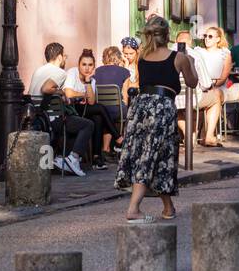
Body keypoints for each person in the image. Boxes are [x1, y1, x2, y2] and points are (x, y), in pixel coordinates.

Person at [119, 15, 198, 220]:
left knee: (156, 154)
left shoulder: (143, 57)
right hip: (161, 108)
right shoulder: (178, 58)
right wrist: (192, 62)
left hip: (141, 106)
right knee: (151, 154)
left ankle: (168, 207)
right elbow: (192, 82)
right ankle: (133, 208)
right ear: (167, 35)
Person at [26, 42, 94, 177]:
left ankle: (62, 159)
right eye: (64, 57)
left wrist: (58, 94)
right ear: (59, 57)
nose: (64, 60)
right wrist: (62, 93)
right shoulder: (60, 73)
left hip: (37, 117)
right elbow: (45, 89)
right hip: (51, 119)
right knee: (88, 124)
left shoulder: (38, 70)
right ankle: (73, 159)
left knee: (73, 122)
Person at [64, 48, 117, 170]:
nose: (87, 68)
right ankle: (118, 137)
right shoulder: (72, 72)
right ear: (78, 65)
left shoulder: (91, 80)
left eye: (90, 65)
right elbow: (68, 93)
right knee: (100, 108)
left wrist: (87, 82)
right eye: (84, 64)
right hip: (71, 110)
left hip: (84, 109)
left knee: (98, 117)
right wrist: (82, 95)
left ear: (94, 67)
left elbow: (92, 101)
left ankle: (96, 158)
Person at [93, 46, 134, 160]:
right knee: (124, 113)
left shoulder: (96, 71)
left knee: (108, 114)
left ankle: (106, 148)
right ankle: (119, 145)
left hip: (101, 110)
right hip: (117, 110)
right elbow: (125, 97)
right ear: (118, 58)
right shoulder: (125, 72)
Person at [194, 26, 231, 146]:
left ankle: (208, 135)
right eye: (205, 36)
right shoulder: (198, 51)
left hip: (218, 86)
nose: (207, 39)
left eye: (210, 36)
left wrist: (213, 85)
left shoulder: (225, 52)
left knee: (215, 94)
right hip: (201, 86)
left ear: (218, 39)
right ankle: (201, 134)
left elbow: (224, 75)